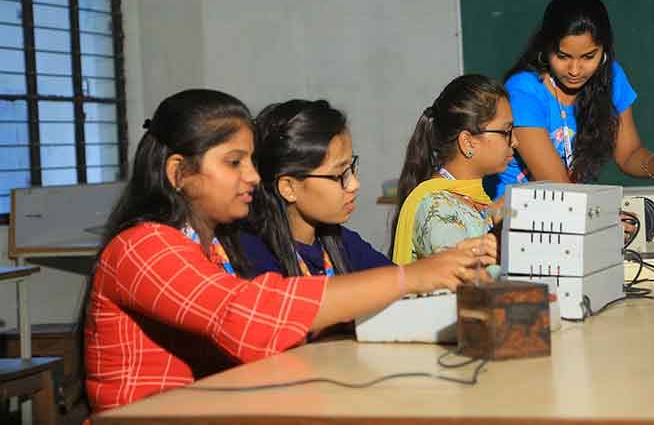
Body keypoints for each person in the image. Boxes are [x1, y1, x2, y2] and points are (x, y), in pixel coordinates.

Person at [82, 89, 496, 413]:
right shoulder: (142, 247)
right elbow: (244, 317)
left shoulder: (219, 244)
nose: (252, 176)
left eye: (251, 161)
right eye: (234, 163)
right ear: (178, 172)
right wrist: (411, 276)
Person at [486, 0, 654, 255]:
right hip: (511, 223)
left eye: (588, 57)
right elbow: (559, 189)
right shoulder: (523, 90)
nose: (575, 70)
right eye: (563, 56)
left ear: (604, 51)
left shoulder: (612, 78)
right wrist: (644, 239)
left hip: (574, 217)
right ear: (546, 48)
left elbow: (629, 155)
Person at [241, 99, 393, 277]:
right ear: (288, 188)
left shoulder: (344, 243)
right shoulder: (253, 256)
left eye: (351, 167)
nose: (354, 184)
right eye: (339, 175)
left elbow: (397, 280)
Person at [391, 74, 516, 265]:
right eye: (506, 132)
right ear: (468, 142)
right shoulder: (435, 206)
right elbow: (467, 275)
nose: (515, 141)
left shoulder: (477, 200)